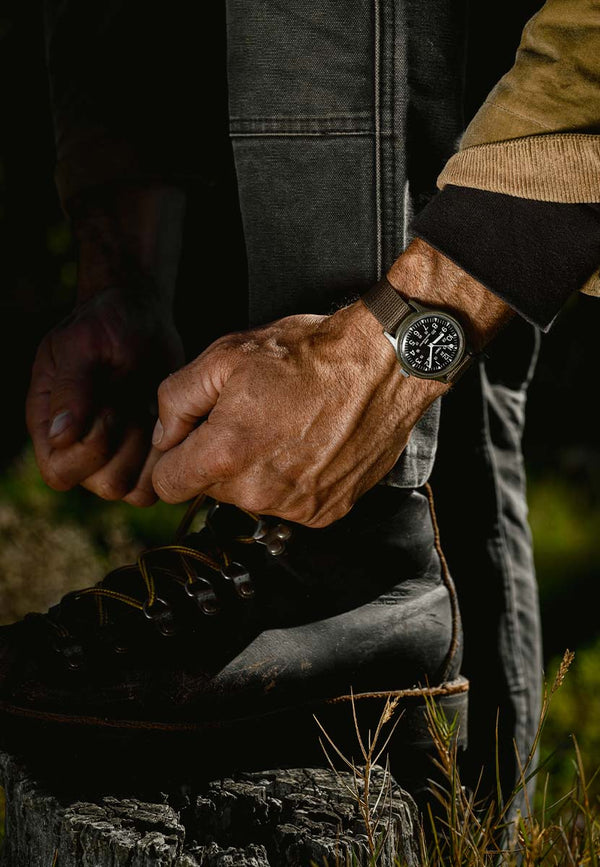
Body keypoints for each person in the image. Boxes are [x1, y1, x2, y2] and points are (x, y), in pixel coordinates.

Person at [3, 0, 599, 809]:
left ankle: (354, 568)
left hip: (475, 167)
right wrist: (125, 268)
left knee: (433, 470)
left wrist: (395, 340)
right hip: (242, 201)